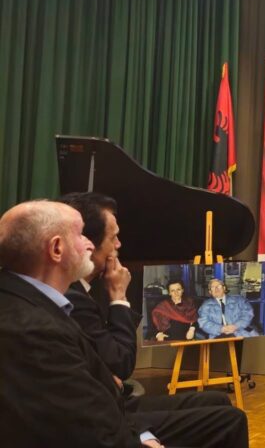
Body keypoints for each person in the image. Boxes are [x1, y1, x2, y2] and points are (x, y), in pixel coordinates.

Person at [0, 200, 249, 448]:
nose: (89, 244)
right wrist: (144, 439)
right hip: (108, 426)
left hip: (111, 417)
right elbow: (85, 423)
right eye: (79, 235)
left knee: (221, 410)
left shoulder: (34, 302)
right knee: (229, 421)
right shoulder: (34, 328)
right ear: (56, 249)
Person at [60, 192, 139, 381]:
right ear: (87, 244)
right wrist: (119, 296)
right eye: (113, 237)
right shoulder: (71, 297)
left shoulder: (76, 288)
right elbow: (121, 362)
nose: (118, 244)